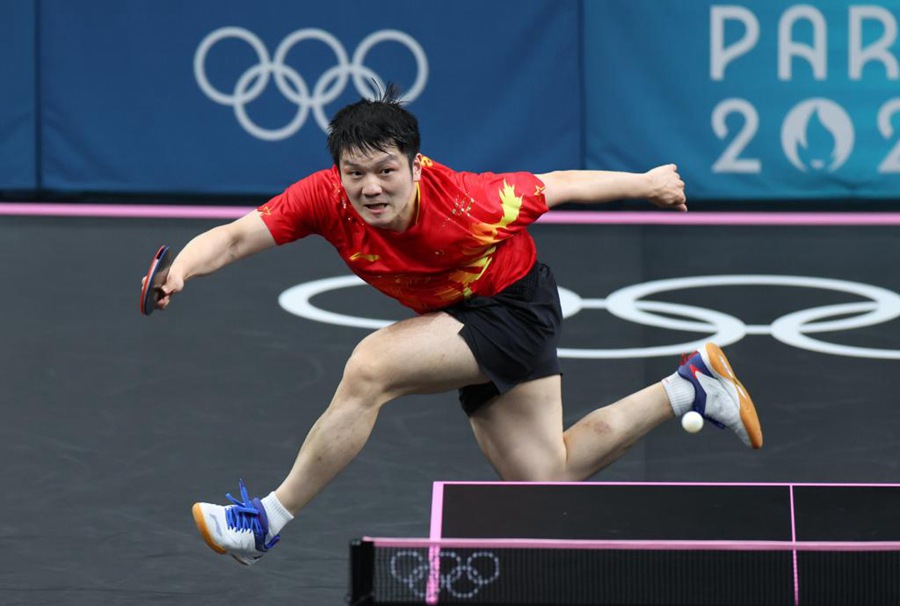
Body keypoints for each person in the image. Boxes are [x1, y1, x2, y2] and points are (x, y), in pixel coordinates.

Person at [148, 86, 763, 566]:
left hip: (514, 311)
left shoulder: (469, 204)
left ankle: (266, 521)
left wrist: (647, 184)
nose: (369, 188)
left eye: (386, 170)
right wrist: (181, 270)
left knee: (372, 366)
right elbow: (233, 237)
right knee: (547, 475)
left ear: (415, 164)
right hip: (463, 316)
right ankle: (690, 388)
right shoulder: (325, 197)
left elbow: (561, 184)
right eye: (354, 173)